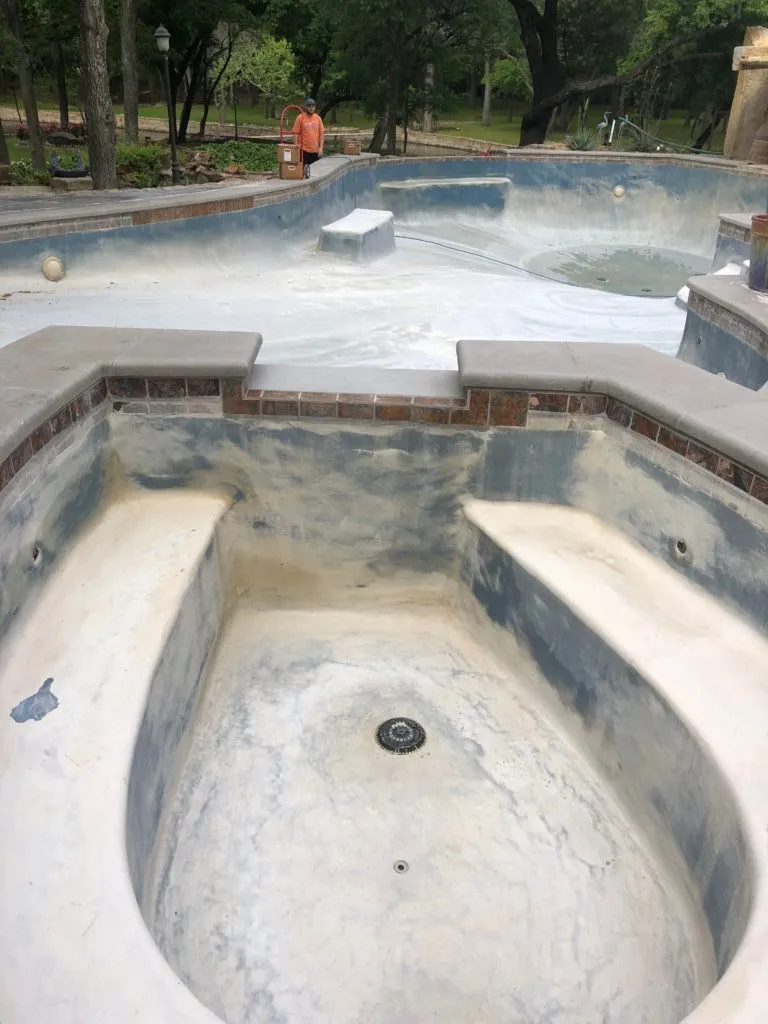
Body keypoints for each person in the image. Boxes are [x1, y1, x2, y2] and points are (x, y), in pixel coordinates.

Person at [293, 99, 324, 178]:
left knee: (315, 174)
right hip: (303, 150)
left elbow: (321, 135)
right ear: (306, 107)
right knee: (303, 173)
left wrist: (320, 148)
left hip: (315, 151)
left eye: (313, 106)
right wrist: (296, 148)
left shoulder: (318, 118)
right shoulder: (300, 118)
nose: (311, 108)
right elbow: (295, 134)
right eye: (309, 106)